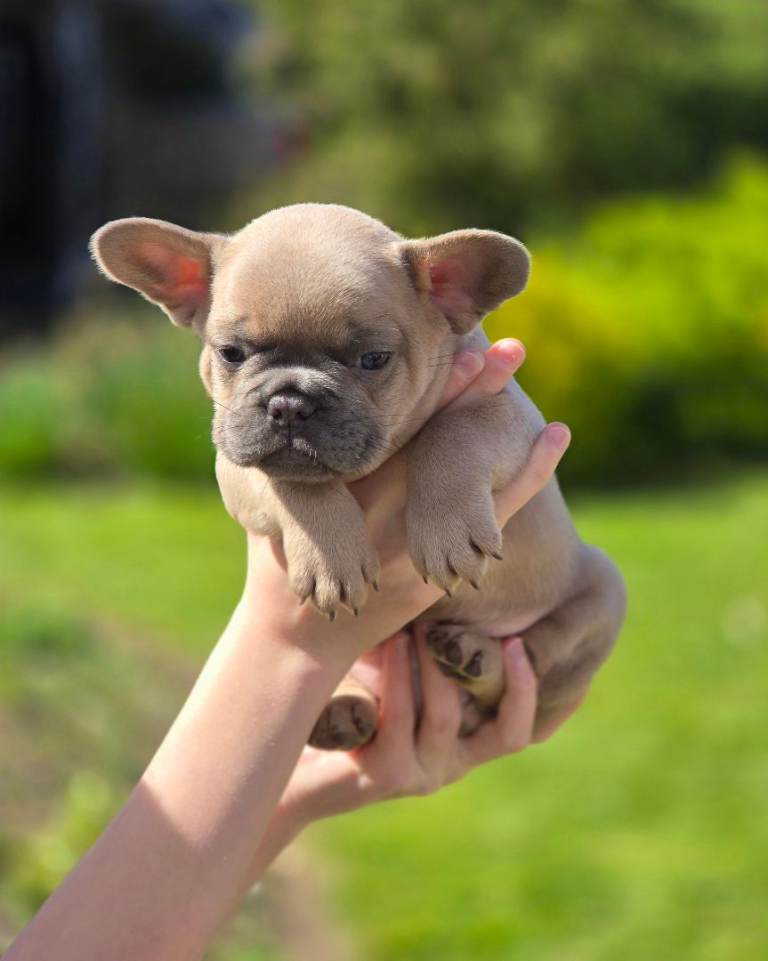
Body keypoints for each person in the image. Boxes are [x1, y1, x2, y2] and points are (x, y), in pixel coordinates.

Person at [7, 340, 575, 961]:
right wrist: (293, 638)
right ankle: (373, 687)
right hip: (393, 648)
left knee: (601, 596)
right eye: (233, 353)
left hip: (531, 610)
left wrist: (284, 798)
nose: (288, 401)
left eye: (367, 357)